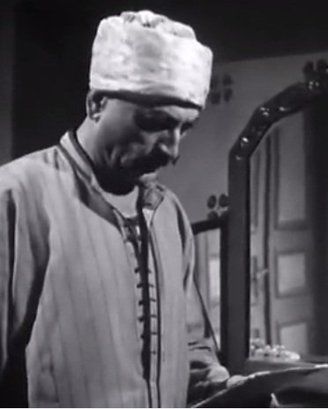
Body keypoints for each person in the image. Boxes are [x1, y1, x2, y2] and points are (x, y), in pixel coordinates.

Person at [0, 10, 241, 406]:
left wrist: (230, 391)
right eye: (155, 122)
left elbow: (193, 352)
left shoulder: (169, 214)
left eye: (184, 129)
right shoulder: (16, 198)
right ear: (97, 104)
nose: (173, 151)